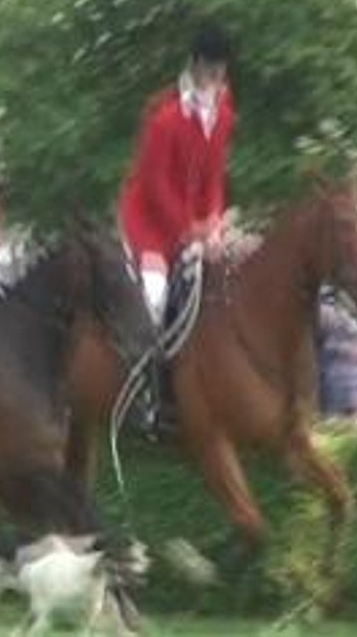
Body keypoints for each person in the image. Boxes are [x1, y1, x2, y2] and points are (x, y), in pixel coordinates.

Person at [117, 23, 237, 434]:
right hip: (148, 220)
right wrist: (188, 229)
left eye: (221, 73)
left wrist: (214, 223)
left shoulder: (223, 113)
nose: (216, 81)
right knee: (154, 292)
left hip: (194, 220)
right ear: (196, 66)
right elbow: (153, 184)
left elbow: (215, 176)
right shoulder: (165, 117)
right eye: (210, 72)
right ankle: (142, 394)